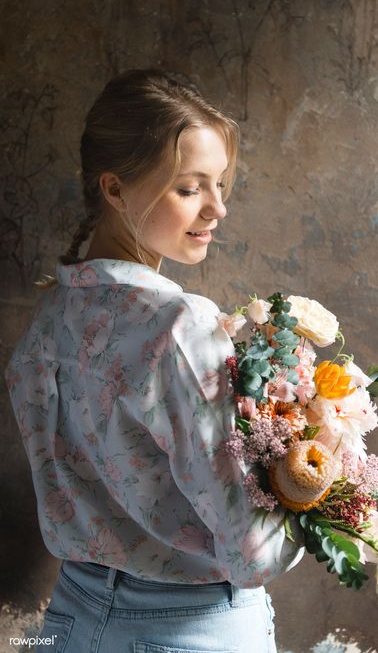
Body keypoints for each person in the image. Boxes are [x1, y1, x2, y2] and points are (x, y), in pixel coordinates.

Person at [5, 69, 304, 653]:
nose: (217, 209)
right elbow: (255, 553)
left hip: (68, 622)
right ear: (114, 189)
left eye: (221, 185)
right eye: (190, 188)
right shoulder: (178, 326)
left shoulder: (47, 321)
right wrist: (317, 472)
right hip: (190, 630)